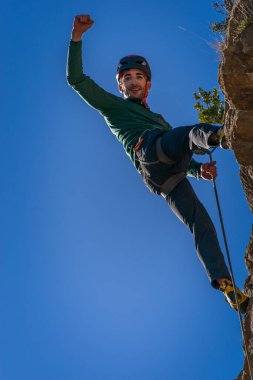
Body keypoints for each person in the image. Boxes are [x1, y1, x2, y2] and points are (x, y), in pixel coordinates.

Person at [66, 14, 249, 313]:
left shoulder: (159, 120)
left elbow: (178, 149)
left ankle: (225, 284)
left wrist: (198, 172)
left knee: (200, 222)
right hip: (148, 153)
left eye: (138, 77)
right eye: (127, 78)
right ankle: (221, 134)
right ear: (121, 87)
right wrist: (76, 38)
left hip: (164, 180)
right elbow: (77, 81)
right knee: (191, 133)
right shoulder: (114, 108)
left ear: (148, 85)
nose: (133, 81)